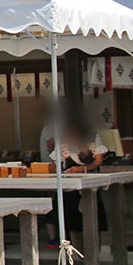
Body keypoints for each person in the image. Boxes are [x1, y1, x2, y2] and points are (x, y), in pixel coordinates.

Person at [46, 107, 109, 250]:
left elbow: (98, 160)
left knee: (94, 220)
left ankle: (94, 254)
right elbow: (56, 161)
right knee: (72, 222)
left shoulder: (92, 140)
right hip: (69, 187)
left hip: (90, 185)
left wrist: (82, 169)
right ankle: (78, 253)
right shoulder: (64, 142)